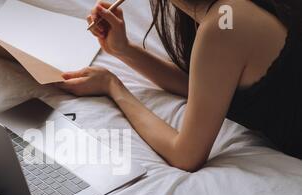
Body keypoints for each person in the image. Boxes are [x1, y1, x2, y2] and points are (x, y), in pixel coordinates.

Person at [57, 0, 302, 172]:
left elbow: (186, 155)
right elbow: (207, 89)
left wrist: (114, 88)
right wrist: (124, 50)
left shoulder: (226, 23)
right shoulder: (227, 14)